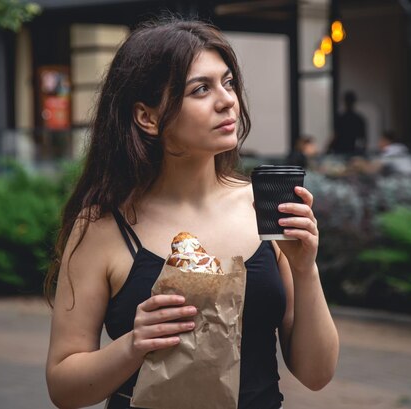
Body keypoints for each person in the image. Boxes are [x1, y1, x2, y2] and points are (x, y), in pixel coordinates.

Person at [44, 17, 339, 409]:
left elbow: (317, 375)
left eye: (228, 82)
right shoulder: (102, 226)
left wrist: (306, 269)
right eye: (201, 89)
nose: (227, 100)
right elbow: (63, 386)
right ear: (147, 117)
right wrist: (133, 345)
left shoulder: (264, 209)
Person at [330, 90, 367, 156]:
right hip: (352, 150)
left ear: (344, 102)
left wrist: (328, 148)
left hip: (341, 150)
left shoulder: (341, 118)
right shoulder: (358, 119)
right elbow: (363, 139)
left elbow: (335, 135)